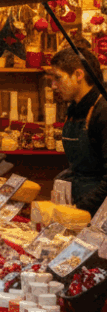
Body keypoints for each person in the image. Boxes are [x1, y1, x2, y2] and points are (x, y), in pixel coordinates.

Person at [50, 46, 107, 212]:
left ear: (78, 75)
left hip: (98, 213)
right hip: (77, 202)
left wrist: (79, 210)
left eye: (58, 78)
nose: (53, 86)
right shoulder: (74, 109)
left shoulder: (102, 111)